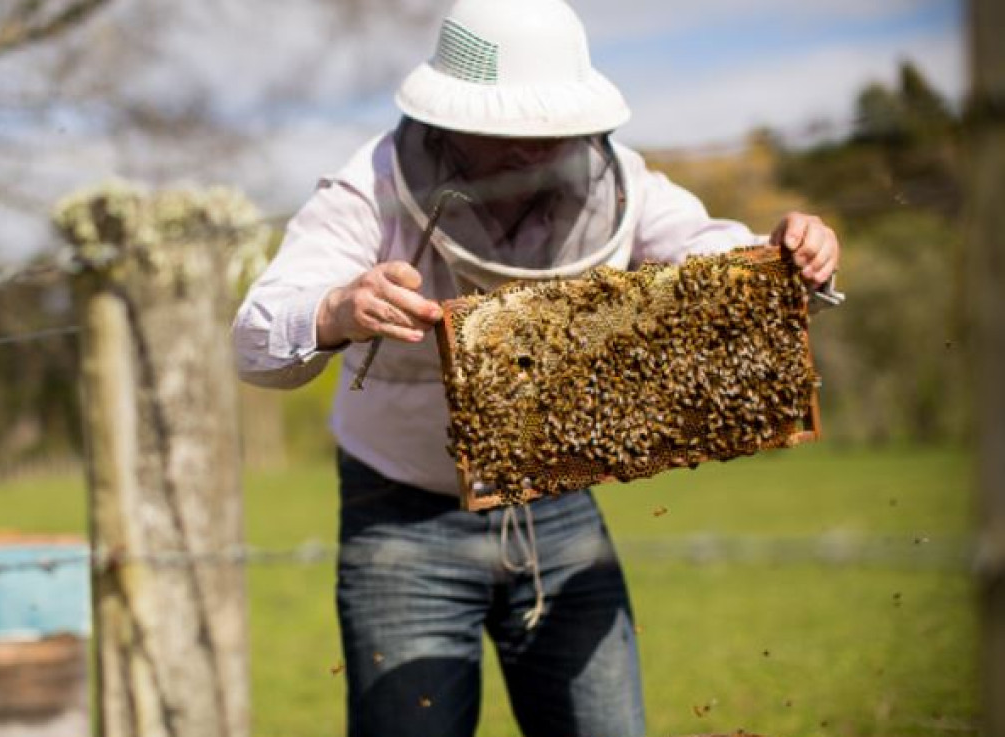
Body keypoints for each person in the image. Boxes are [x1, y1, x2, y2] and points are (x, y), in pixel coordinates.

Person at [232, 0, 841, 735]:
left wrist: (790, 256)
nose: (532, 150)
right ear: (451, 119)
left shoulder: (621, 181)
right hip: (402, 519)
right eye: (508, 133)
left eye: (547, 131)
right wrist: (335, 308)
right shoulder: (371, 186)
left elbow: (710, 255)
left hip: (556, 509)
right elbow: (255, 339)